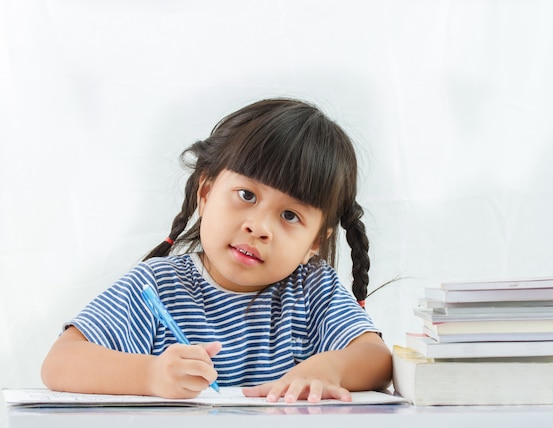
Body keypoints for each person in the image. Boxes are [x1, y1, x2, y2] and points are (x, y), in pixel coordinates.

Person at [41, 98, 392, 403]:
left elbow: (377, 359)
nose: (259, 227)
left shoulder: (314, 290)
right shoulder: (158, 286)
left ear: (314, 242)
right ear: (206, 194)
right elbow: (60, 362)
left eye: (290, 215)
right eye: (246, 195)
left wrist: (330, 368)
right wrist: (151, 375)